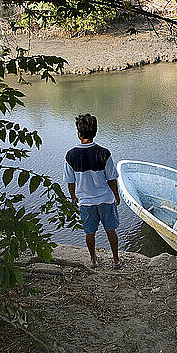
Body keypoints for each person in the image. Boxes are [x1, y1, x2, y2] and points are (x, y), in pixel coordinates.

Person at [63, 114, 123, 269]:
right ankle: (116, 260)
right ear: (95, 132)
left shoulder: (71, 155)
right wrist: (116, 195)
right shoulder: (104, 153)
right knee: (111, 229)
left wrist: (73, 197)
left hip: (86, 202)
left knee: (89, 232)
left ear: (79, 133)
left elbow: (70, 180)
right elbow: (111, 178)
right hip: (105, 199)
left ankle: (93, 260)